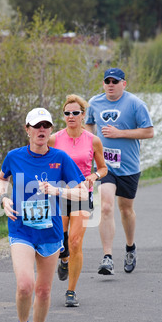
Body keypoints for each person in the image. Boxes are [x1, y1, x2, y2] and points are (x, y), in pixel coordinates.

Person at [0, 107, 87, 322]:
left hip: (50, 232)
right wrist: (3, 198)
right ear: (27, 129)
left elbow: (83, 193)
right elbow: (1, 179)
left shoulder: (60, 158)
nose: (42, 130)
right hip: (21, 229)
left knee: (44, 291)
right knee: (25, 285)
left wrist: (58, 191)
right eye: (37, 126)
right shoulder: (14, 156)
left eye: (46, 126)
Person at [85, 67, 154, 275]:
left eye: (115, 81)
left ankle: (130, 247)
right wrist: (89, 148)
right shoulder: (94, 103)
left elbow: (149, 131)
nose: (111, 85)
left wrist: (119, 133)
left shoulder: (135, 104)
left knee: (125, 210)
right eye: (107, 81)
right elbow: (88, 127)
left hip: (129, 167)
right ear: (103, 84)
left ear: (124, 83)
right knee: (105, 207)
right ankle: (107, 257)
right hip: (105, 167)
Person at [48, 94, 107, 307]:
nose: (71, 116)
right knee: (60, 243)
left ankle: (71, 290)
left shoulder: (94, 140)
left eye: (75, 113)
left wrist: (94, 176)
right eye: (67, 113)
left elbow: (103, 168)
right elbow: (46, 162)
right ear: (63, 116)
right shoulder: (54, 139)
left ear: (83, 115)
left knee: (75, 242)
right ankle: (63, 259)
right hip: (59, 194)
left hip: (82, 194)